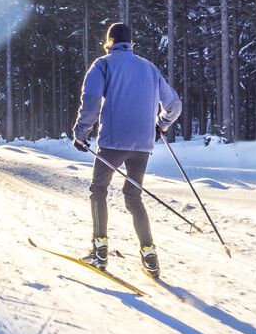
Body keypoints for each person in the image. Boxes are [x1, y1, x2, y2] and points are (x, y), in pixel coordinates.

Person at [73, 22, 181, 279]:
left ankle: (99, 250)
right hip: (142, 145)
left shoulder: (103, 64)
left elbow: (91, 101)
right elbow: (174, 104)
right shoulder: (150, 67)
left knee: (98, 190)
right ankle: (149, 254)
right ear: (131, 44)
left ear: (109, 41)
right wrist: (161, 125)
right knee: (133, 197)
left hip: (112, 142)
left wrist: (81, 133)